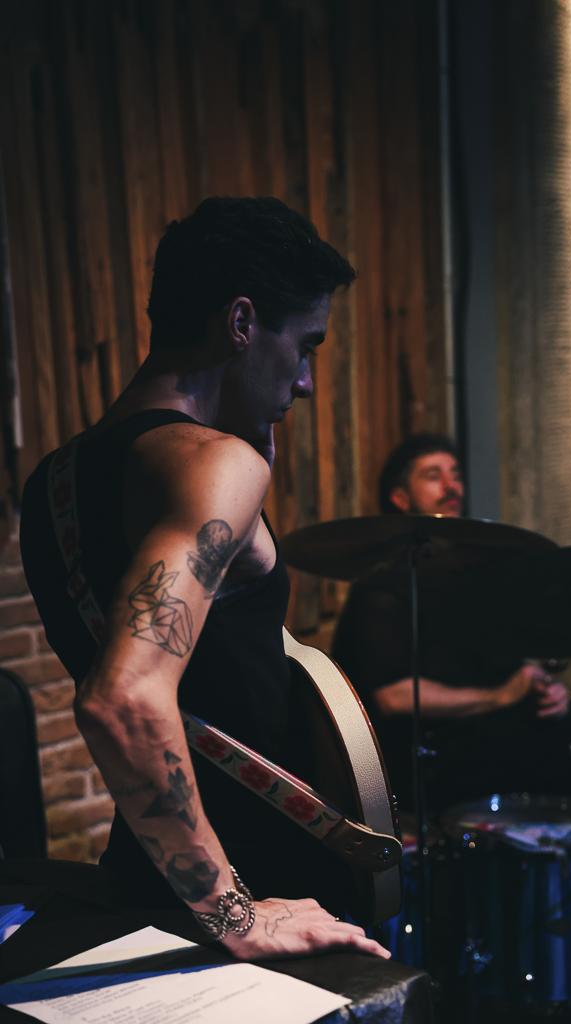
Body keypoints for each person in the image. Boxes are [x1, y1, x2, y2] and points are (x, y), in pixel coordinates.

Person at [20, 197, 388, 961]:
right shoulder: (214, 466)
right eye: (305, 346)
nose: (308, 381)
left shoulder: (50, 481)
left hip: (150, 873)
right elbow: (123, 698)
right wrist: (238, 917)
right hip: (257, 884)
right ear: (241, 323)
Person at [332, 433, 571, 814]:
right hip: (431, 770)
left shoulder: (474, 579)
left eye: (455, 474)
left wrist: (543, 691)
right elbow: (391, 697)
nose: (451, 486)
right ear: (400, 499)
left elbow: (509, 671)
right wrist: (499, 697)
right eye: (433, 475)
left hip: (490, 746)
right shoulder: (382, 587)